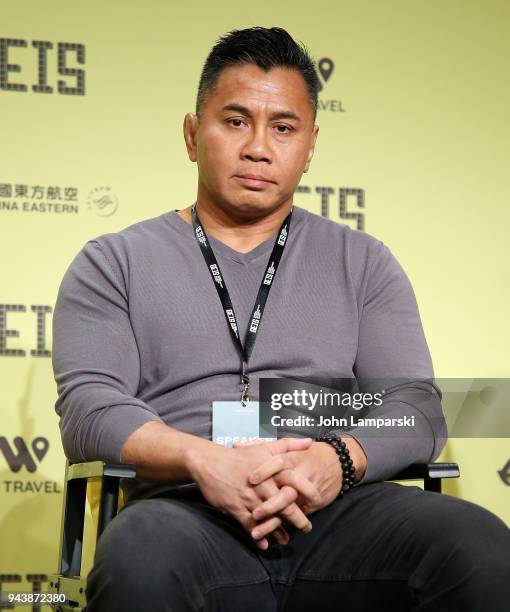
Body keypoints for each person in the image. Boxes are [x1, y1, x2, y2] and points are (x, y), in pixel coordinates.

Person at [52, 26, 510, 612]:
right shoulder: (114, 261)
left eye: (283, 128)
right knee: (136, 558)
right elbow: (91, 406)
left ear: (311, 145)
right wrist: (207, 459)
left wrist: (335, 461)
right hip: (187, 512)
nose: (259, 148)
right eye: (235, 121)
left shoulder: (362, 261)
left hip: (339, 511)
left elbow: (415, 406)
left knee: (480, 547)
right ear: (193, 134)